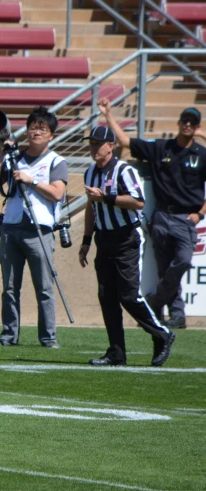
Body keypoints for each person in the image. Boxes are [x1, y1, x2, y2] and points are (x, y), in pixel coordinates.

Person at [100, 99, 206, 330]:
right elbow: (126, 142)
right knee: (164, 268)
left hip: (187, 218)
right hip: (161, 216)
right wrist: (108, 114)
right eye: (185, 120)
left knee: (182, 262)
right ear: (178, 122)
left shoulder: (201, 153)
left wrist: (200, 214)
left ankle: (156, 303)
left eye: (193, 122)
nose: (187, 124)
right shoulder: (161, 147)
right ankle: (176, 314)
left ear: (197, 126)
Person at [79, 126, 176, 367]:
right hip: (104, 238)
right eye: (90, 144)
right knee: (106, 296)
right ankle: (116, 353)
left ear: (111, 146)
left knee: (129, 295)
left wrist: (106, 198)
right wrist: (86, 240)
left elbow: (138, 202)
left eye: (97, 144)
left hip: (126, 239)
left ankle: (162, 334)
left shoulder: (124, 170)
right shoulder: (90, 172)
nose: (93, 148)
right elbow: (91, 207)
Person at [0, 107, 68, 349]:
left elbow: (57, 193)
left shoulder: (56, 161)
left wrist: (31, 180)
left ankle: (48, 337)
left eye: (42, 129)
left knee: (43, 287)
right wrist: (2, 155)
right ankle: (8, 335)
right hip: (11, 227)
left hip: (39, 230)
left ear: (51, 135)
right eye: (33, 127)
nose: (36, 132)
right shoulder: (15, 157)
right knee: (10, 287)